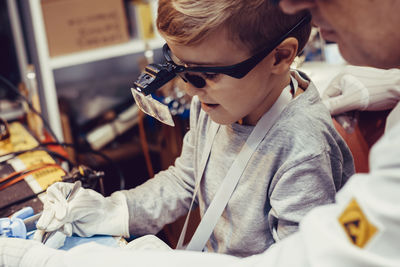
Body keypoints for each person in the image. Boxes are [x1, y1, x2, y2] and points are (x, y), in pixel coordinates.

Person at [0, 0, 356, 264]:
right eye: (178, 68)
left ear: (279, 57)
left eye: (203, 76)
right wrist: (115, 211)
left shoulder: (304, 149)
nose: (189, 90)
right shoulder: (219, 103)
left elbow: (299, 260)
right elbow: (186, 182)